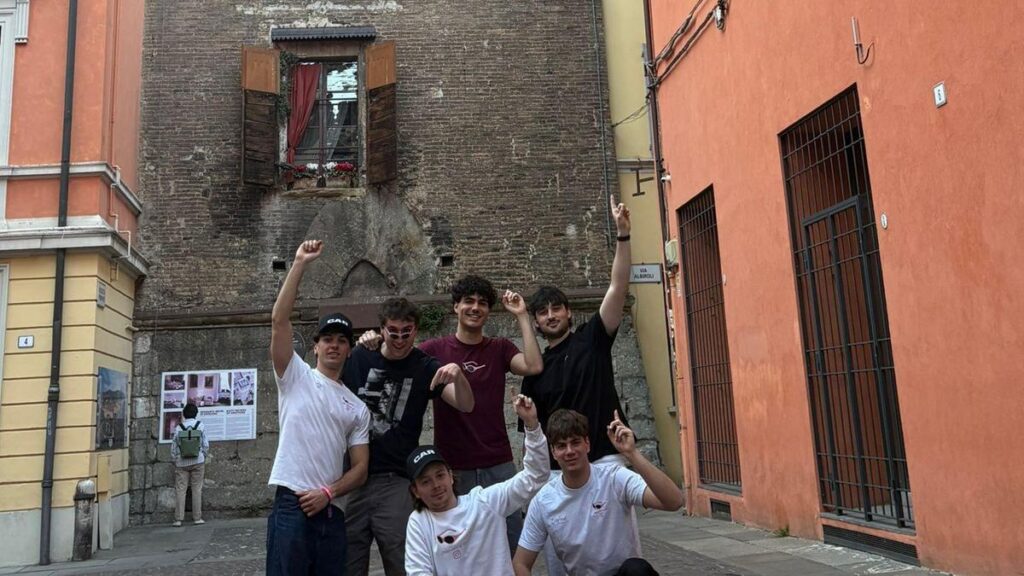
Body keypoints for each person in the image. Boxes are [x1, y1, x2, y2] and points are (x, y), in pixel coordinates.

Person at [358, 275, 543, 552]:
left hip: (498, 461)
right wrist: (371, 338)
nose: (475, 307)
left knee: (510, 543)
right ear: (455, 306)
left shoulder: (500, 348)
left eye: (482, 303)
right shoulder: (433, 351)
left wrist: (521, 314)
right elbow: (397, 353)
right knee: (460, 549)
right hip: (453, 467)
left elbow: (533, 366)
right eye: (468, 301)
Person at [521, 195, 634, 573]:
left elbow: (618, 287)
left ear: (569, 312)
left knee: (621, 554)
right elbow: (533, 433)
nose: (551, 315)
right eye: (543, 312)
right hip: (561, 471)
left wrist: (623, 235)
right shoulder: (534, 370)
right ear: (537, 323)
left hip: (606, 458)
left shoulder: (593, 338)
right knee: (561, 557)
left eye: (557, 308)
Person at [344, 297, 475, 576]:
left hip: (394, 477)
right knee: (348, 561)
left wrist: (458, 375)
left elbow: (466, 404)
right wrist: (359, 341)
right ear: (382, 329)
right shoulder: (361, 356)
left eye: (407, 332)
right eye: (393, 332)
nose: (400, 340)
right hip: (352, 476)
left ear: (416, 330)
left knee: (401, 562)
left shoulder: (424, 366)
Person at [267, 239, 372, 576]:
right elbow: (279, 321)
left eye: (342, 341)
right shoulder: (295, 376)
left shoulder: (357, 407)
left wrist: (330, 492)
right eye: (327, 339)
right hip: (291, 501)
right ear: (315, 347)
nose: (334, 346)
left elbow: (360, 469)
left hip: (330, 509)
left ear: (349, 350)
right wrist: (299, 263)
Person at [512, 409, 683, 576]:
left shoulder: (614, 478)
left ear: (587, 444)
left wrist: (632, 454)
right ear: (553, 452)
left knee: (637, 569)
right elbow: (520, 563)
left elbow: (674, 501)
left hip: (623, 573)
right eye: (562, 446)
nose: (569, 451)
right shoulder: (543, 501)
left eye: (575, 442)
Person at [404, 394, 549, 575]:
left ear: (451, 476)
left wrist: (532, 425)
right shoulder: (419, 522)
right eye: (426, 481)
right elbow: (418, 571)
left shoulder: (485, 502)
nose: (436, 485)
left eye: (440, 475)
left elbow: (536, 476)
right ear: (416, 491)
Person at [170, 402, 209, 527]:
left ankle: (178, 519)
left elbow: (174, 446)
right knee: (197, 489)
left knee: (180, 490)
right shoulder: (200, 426)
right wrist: (203, 455)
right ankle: (197, 518)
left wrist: (175, 459)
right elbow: (205, 444)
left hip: (181, 462)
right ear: (196, 414)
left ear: (184, 414)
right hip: (198, 461)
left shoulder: (178, 428)